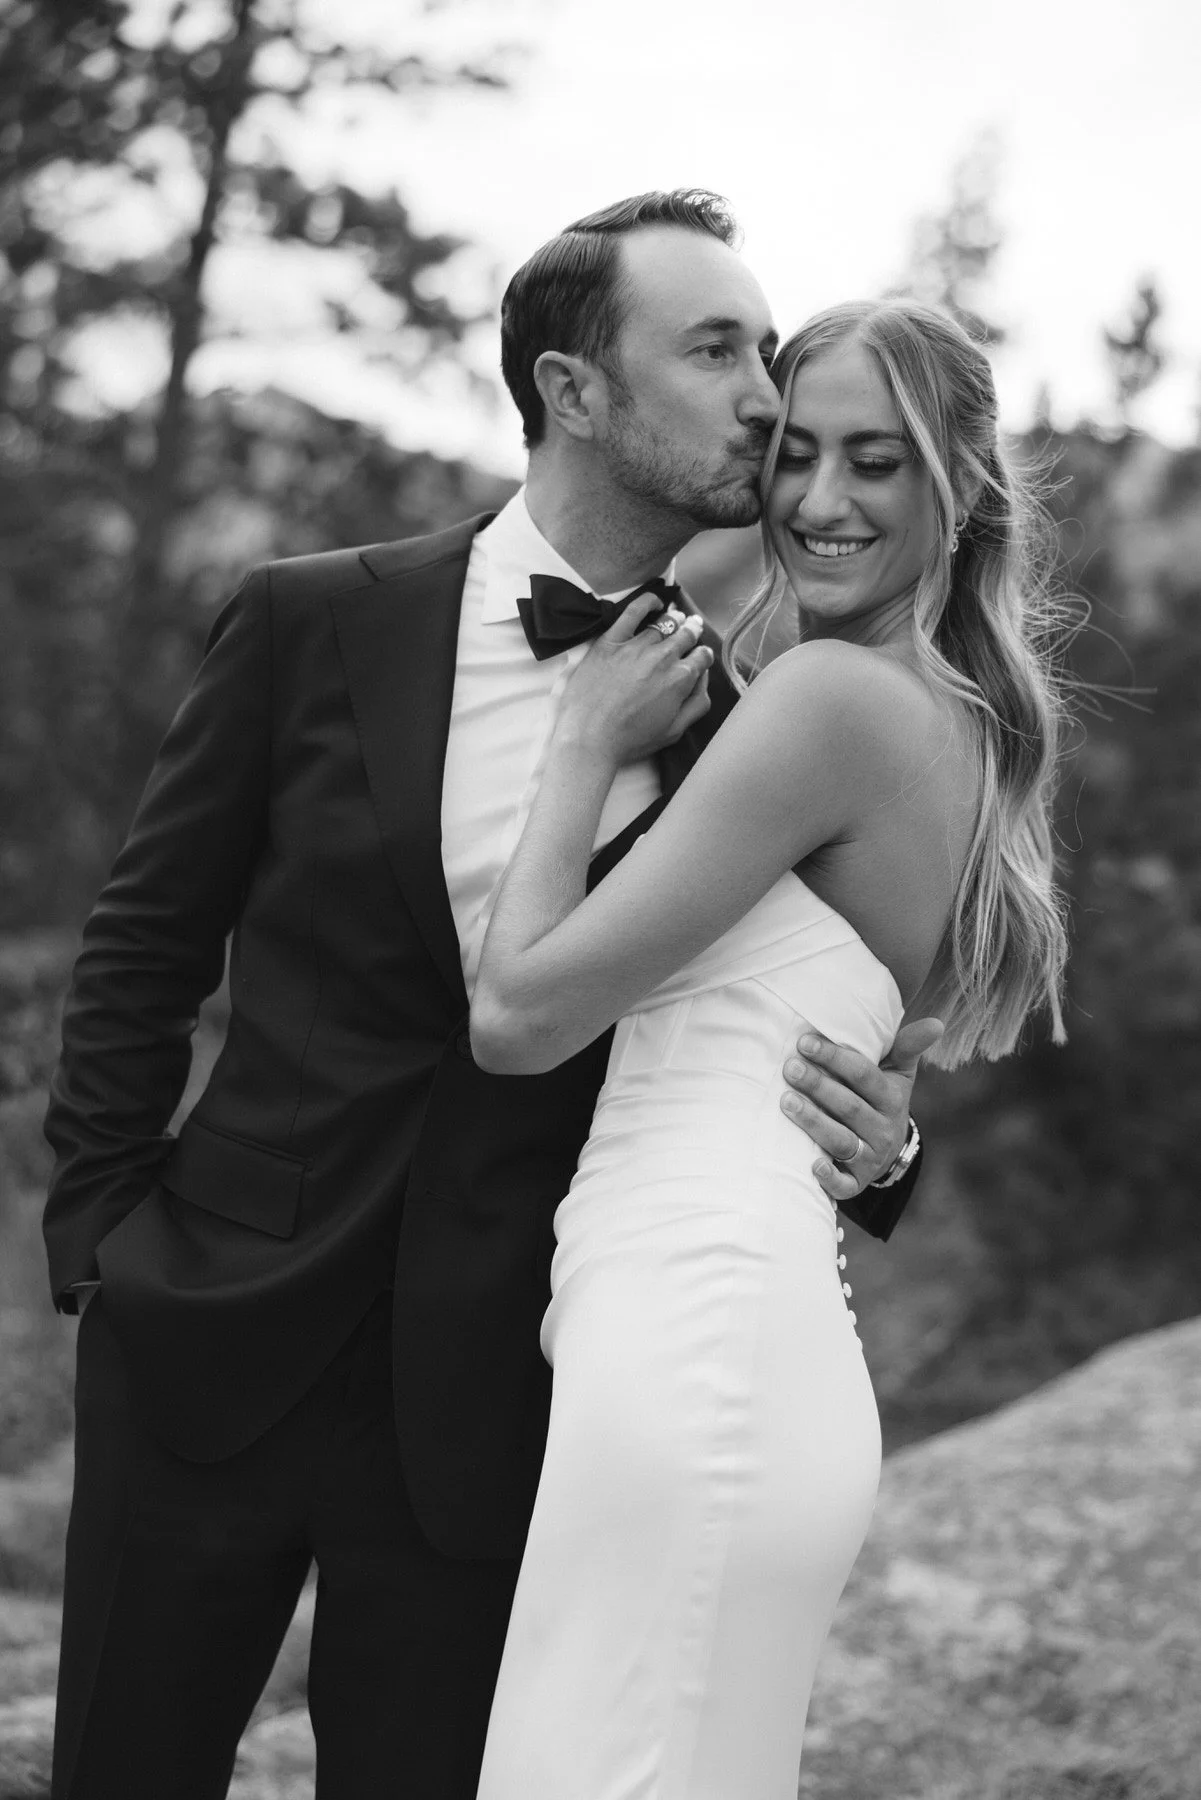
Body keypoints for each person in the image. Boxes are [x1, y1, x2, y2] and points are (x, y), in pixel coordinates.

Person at [40, 192, 932, 1799]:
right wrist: (103, 1250)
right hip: (207, 1344)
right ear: (574, 391)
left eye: (766, 350)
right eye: (717, 348)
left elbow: (787, 1015)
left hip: (510, 1401)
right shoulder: (319, 617)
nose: (765, 395)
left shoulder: (764, 723)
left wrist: (888, 1157)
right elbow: (141, 946)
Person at [469, 295, 1069, 1800]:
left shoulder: (830, 702)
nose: (817, 500)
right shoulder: (939, 715)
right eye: (795, 454)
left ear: (961, 487)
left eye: (878, 463)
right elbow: (847, 1074)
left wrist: (584, 750)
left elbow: (521, 1014)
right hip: (715, 1318)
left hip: (699, 1327)